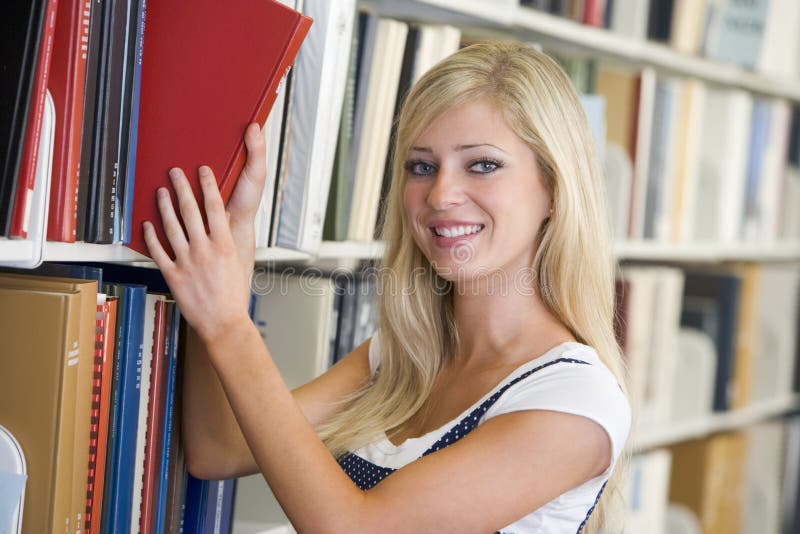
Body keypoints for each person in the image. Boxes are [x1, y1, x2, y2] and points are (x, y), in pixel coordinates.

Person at [143, 41, 631, 533]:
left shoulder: (575, 398)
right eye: (422, 166)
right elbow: (217, 448)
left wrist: (229, 324)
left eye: (482, 164)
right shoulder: (403, 356)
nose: (440, 195)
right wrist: (221, 264)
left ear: (554, 187)